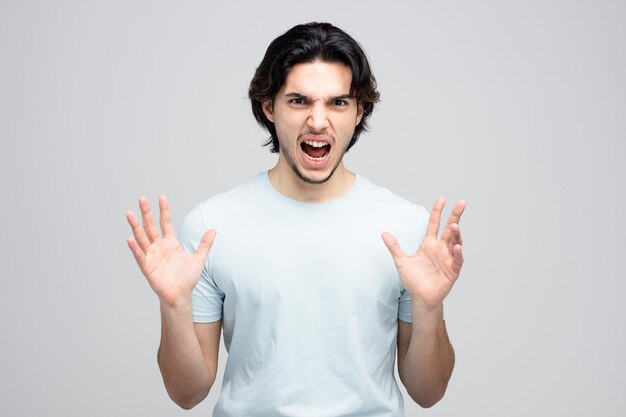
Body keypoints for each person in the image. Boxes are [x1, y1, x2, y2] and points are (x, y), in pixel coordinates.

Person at [125, 22, 466, 417]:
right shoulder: (210, 227)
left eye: (338, 103)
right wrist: (174, 306)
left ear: (359, 112)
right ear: (269, 107)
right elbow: (187, 394)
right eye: (299, 101)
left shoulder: (408, 228)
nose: (318, 121)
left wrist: (428, 308)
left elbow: (429, 392)